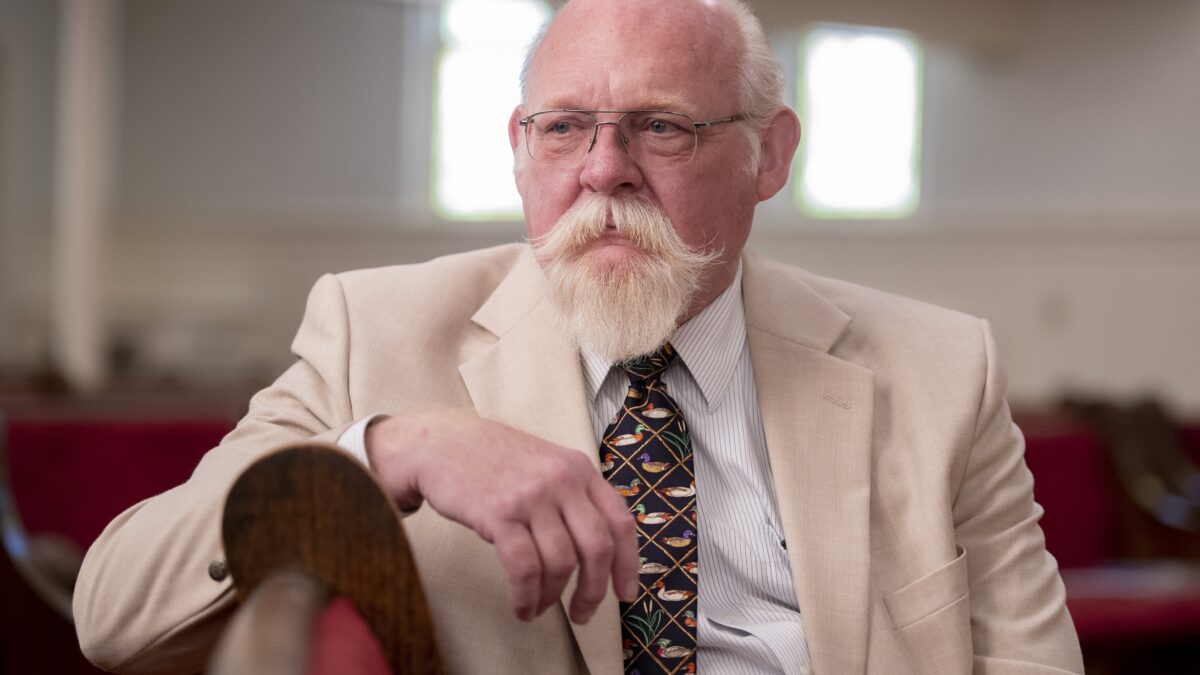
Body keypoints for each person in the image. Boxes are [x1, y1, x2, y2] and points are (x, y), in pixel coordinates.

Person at [73, 0, 1085, 673]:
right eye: (563, 128)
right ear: (520, 152)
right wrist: (388, 447)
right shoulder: (371, 334)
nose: (604, 171)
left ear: (769, 155)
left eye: (661, 126)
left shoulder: (942, 371)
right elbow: (114, 606)